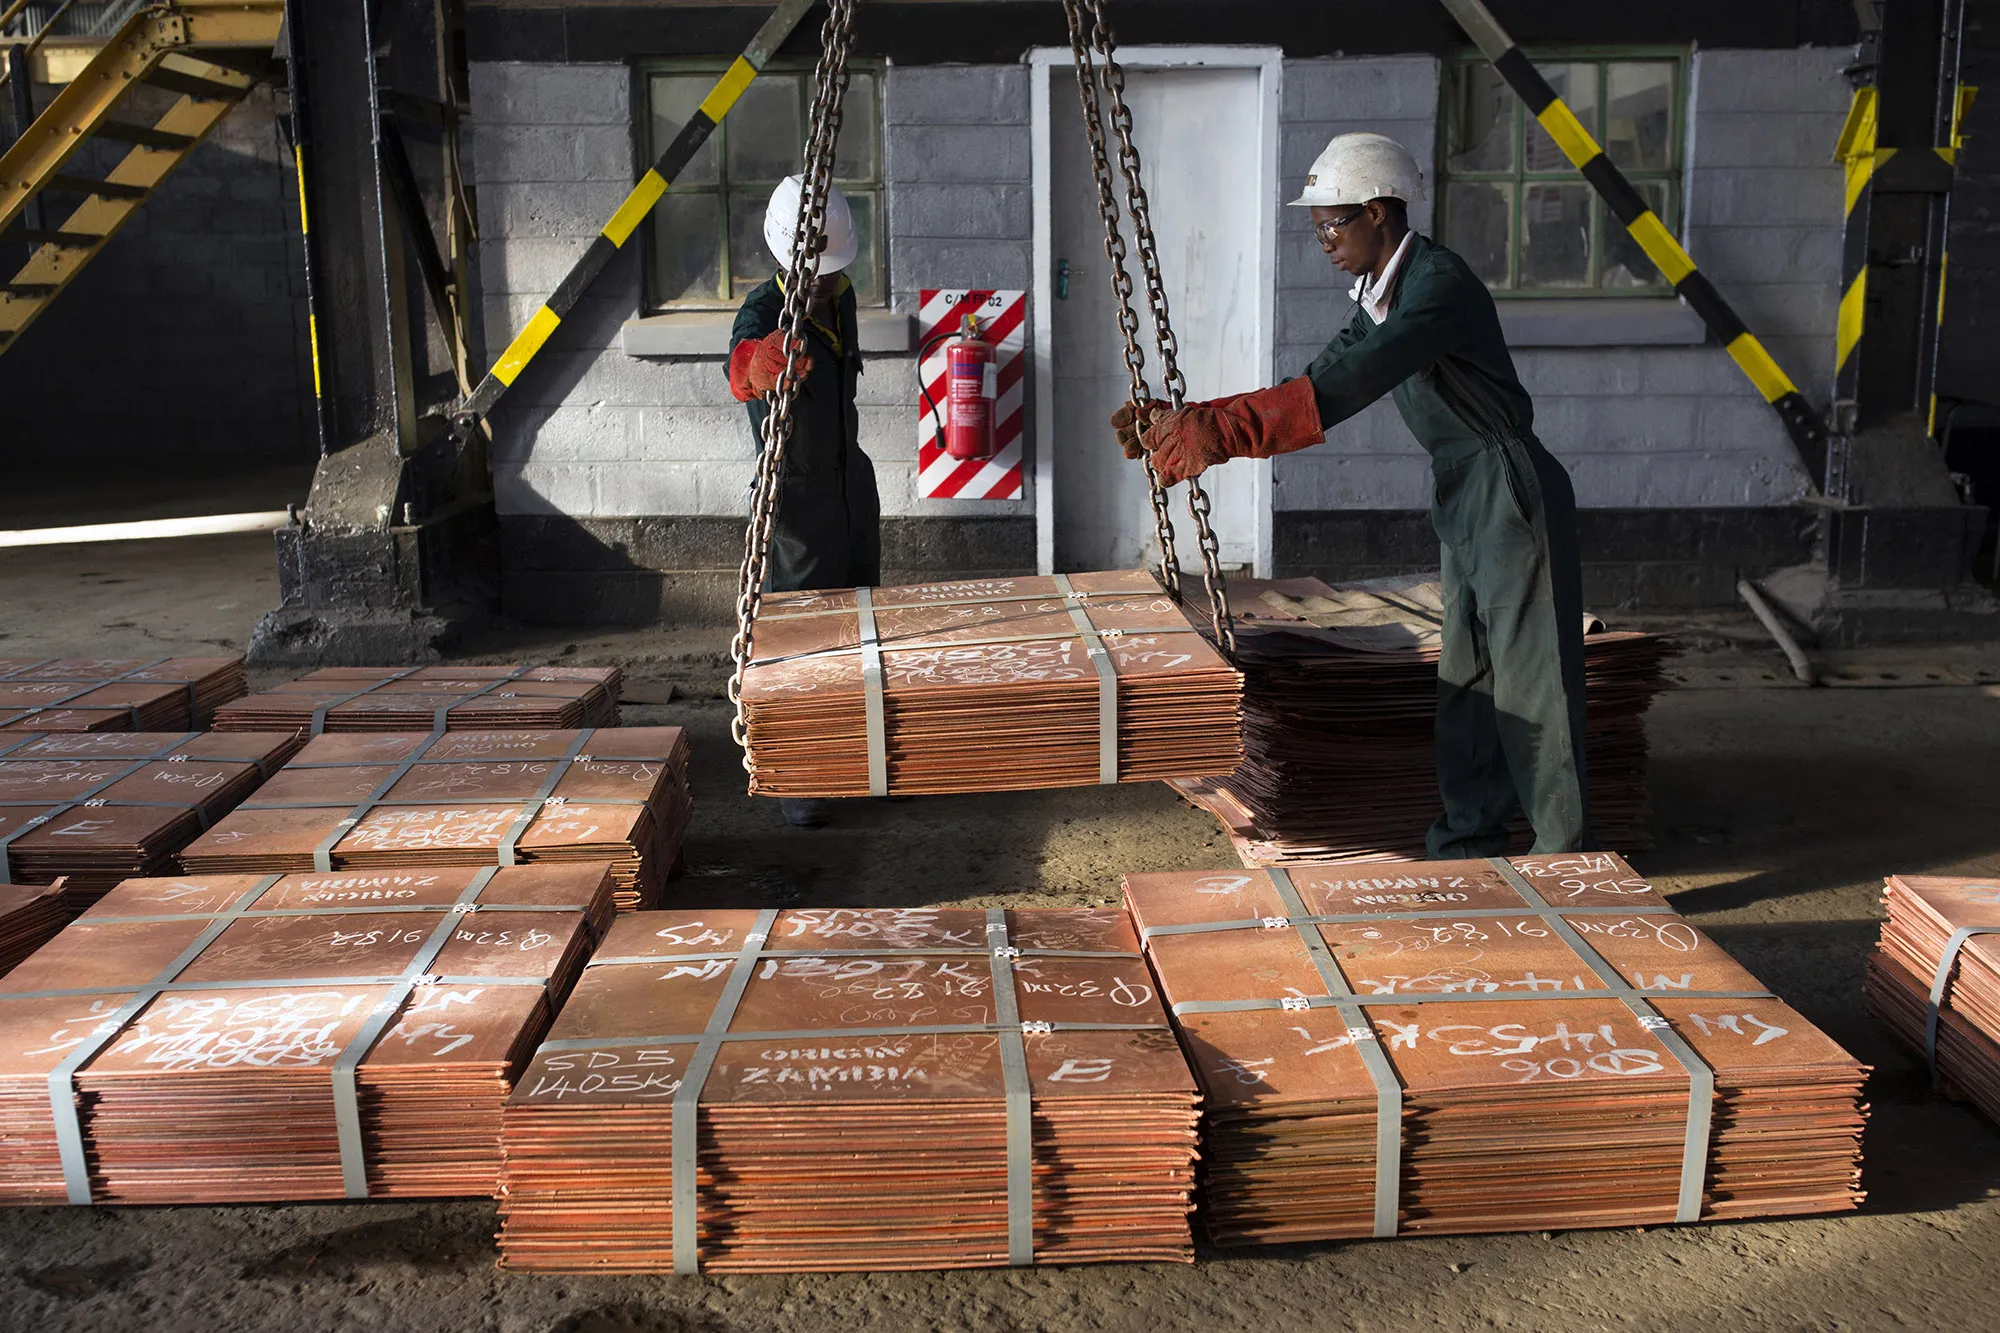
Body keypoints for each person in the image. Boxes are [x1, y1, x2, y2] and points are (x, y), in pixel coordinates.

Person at [1115, 132, 1591, 858]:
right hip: (1465, 489)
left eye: (1332, 225)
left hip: (1508, 484)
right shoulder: (1380, 297)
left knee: (1536, 683)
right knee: (1470, 677)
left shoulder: (1437, 286)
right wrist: (1195, 418)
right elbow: (1313, 378)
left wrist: (1222, 431)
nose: (1325, 242)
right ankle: (1470, 836)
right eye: (1317, 229)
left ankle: (1567, 862)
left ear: (1377, 213)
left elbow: (1354, 381)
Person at [728, 176, 881, 830]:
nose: (821, 281)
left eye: (831, 271)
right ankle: (800, 774)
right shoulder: (765, 313)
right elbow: (740, 367)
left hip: (849, 486)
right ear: (783, 257)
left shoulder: (839, 298)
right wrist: (761, 364)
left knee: (858, 626)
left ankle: (852, 753)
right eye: (811, 273)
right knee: (803, 638)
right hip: (796, 495)